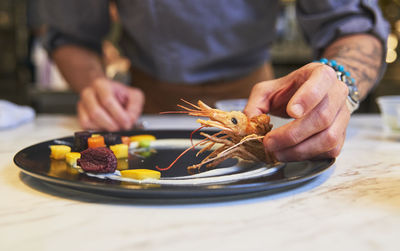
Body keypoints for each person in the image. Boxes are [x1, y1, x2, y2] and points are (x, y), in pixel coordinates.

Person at [41, 0, 389, 162]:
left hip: (257, 101)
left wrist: (339, 80)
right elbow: (70, 34)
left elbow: (354, 26)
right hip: (143, 108)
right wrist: (93, 84)